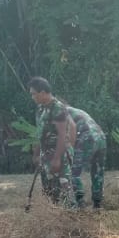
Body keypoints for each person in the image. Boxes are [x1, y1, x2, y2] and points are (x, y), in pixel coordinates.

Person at [27, 77, 79, 207]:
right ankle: (54, 221)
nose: (32, 97)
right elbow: (41, 134)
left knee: (65, 191)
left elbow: (62, 135)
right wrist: (37, 154)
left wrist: (57, 159)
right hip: (45, 157)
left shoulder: (58, 108)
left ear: (43, 92)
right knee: (49, 193)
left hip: (60, 156)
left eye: (34, 93)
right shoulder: (40, 109)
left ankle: (73, 221)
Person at [65, 105, 107, 209]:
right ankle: (97, 203)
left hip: (86, 137)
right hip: (101, 137)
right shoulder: (77, 110)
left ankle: (80, 203)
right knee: (97, 171)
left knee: (74, 171)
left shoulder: (60, 111)